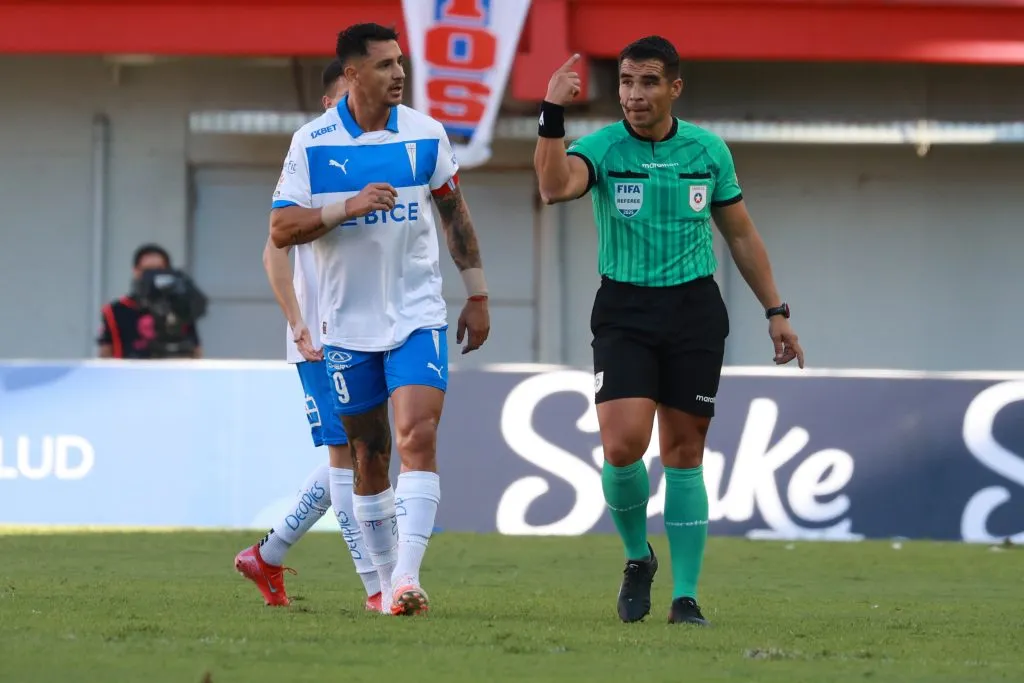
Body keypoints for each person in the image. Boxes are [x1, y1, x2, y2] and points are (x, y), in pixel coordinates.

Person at [534, 36, 805, 626]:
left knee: (685, 454)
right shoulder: (602, 148)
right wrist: (551, 114)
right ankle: (638, 557)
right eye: (627, 82)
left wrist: (776, 311)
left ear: (674, 88)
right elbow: (554, 187)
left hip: (694, 312)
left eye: (648, 82)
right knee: (622, 444)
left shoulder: (707, 151)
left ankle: (686, 597)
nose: (634, 94)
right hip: (625, 311)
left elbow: (739, 235)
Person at [268, 23, 490, 616]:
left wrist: (477, 292)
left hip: (418, 312)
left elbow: (455, 215)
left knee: (418, 435)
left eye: (401, 63)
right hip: (345, 324)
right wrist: (348, 205)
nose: (398, 74)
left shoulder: (426, 134)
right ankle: (389, 585)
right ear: (351, 75)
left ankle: (409, 578)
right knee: (369, 455)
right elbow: (281, 230)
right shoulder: (311, 144)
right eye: (385, 65)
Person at [234, 60, 382, 611]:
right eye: (352, 95)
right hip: (318, 337)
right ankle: (376, 588)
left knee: (363, 451)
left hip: (368, 332)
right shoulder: (308, 164)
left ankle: (268, 556)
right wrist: (297, 321)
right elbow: (274, 254)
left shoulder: (377, 161)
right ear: (331, 102)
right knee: (348, 455)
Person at [97, 244, 203, 359]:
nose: (153, 276)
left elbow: (196, 350)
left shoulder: (180, 308)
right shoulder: (115, 311)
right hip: (129, 374)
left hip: (171, 372)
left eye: (159, 270)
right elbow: (106, 354)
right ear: (136, 271)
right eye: (147, 271)